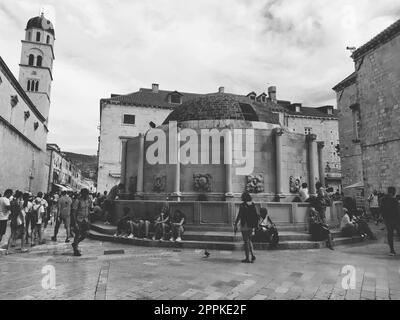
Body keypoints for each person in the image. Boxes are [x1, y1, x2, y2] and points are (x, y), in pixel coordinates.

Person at [234, 192, 259, 263]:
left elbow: (239, 215)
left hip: (245, 225)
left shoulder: (242, 205)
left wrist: (236, 223)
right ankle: (253, 255)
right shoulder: (252, 204)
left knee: (246, 241)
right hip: (251, 225)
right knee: (249, 240)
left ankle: (247, 258)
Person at [71, 189, 93, 257]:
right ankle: (76, 250)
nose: (88, 195)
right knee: (77, 234)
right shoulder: (77, 201)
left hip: (85, 219)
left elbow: (89, 209)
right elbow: (73, 212)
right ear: (83, 194)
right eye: (86, 194)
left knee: (86, 233)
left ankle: (75, 244)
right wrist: (75, 223)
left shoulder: (88, 200)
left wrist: (89, 219)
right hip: (79, 219)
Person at [380, 187, 400, 256]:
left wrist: (384, 218)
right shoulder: (394, 200)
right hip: (396, 220)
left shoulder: (383, 200)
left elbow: (381, 210)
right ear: (394, 192)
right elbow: (397, 211)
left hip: (387, 220)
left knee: (390, 234)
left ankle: (392, 251)